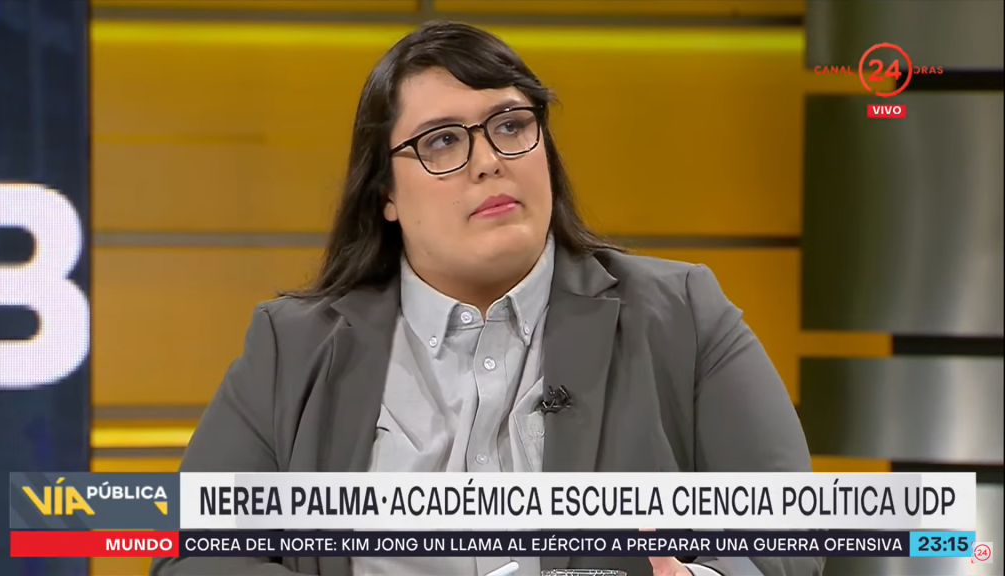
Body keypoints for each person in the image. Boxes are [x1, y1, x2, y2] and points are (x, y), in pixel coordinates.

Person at [150, 21, 822, 576]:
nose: (488, 160)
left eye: (510, 125)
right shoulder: (292, 345)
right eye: (442, 141)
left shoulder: (681, 313)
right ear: (385, 194)